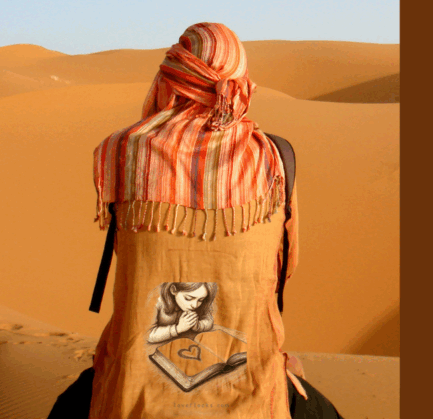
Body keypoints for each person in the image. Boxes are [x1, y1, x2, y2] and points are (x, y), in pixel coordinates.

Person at [47, 22, 343, 418]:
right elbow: (283, 270)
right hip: (249, 377)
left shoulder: (123, 152)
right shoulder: (275, 159)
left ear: (170, 77)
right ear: (240, 83)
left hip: (134, 379)